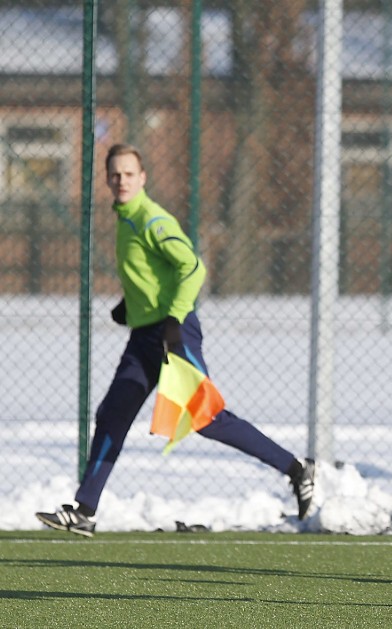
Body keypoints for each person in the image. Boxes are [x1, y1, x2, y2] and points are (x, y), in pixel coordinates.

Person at [36, 143, 315, 536]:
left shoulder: (150, 219)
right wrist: (129, 306)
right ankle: (84, 511)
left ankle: (296, 469)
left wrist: (171, 319)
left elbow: (192, 267)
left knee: (208, 420)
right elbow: (154, 273)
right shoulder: (125, 216)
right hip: (144, 336)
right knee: (113, 414)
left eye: (129, 174)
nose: (121, 181)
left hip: (172, 334)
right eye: (115, 174)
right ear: (106, 179)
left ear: (143, 178)